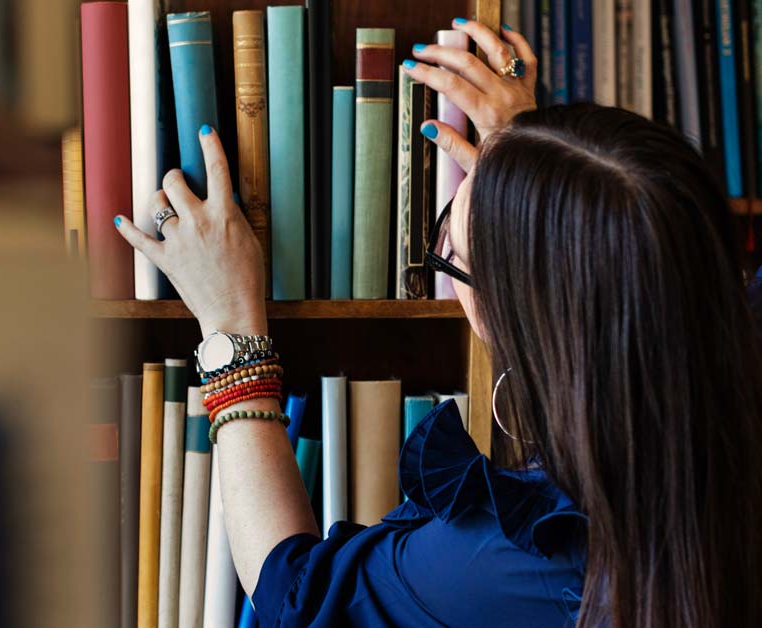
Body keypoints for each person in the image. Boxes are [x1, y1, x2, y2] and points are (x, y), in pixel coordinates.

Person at [114, 18, 762, 628]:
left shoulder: (511, 562)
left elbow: (299, 596)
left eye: (448, 247)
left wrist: (230, 325)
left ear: (513, 319)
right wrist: (547, 180)